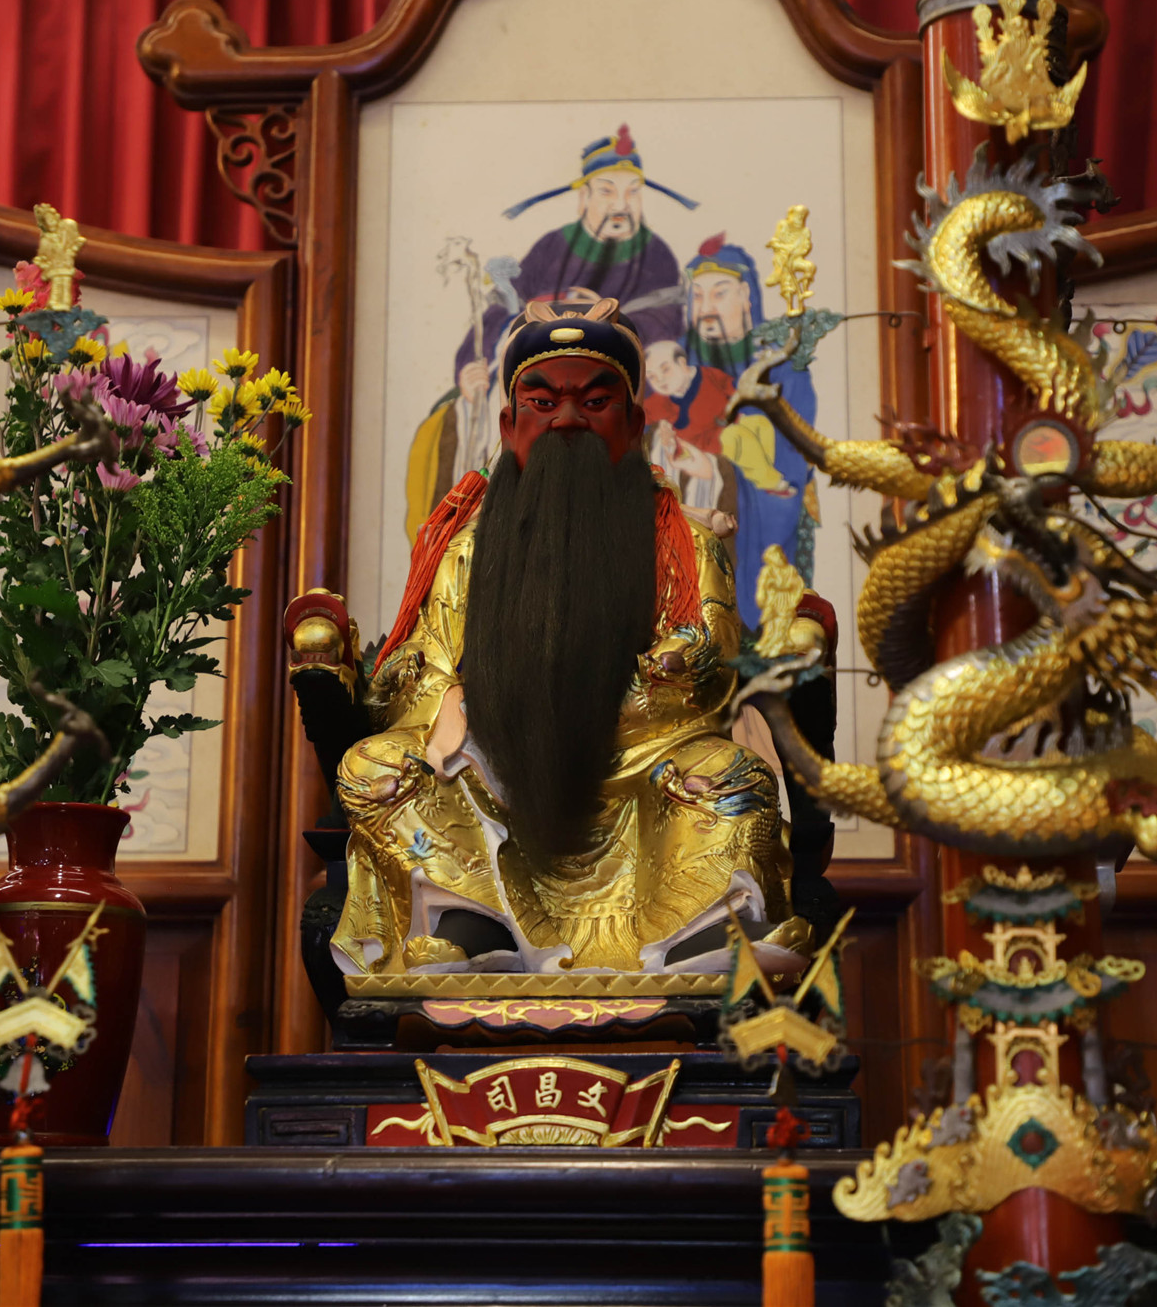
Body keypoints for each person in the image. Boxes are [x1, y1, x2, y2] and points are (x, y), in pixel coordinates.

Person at [336, 299, 806, 977]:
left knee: (732, 775)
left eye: (594, 402)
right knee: (376, 769)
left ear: (634, 424)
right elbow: (427, 663)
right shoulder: (467, 550)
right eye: (542, 401)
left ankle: (698, 928)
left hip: (641, 760)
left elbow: (710, 664)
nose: (566, 419)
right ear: (510, 425)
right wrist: (465, 706)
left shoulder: (684, 544)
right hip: (496, 761)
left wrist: (633, 683)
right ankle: (471, 921)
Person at [405, 125, 697, 541]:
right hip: (539, 372)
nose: (621, 204)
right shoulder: (550, 248)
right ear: (583, 197)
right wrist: (475, 364)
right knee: (454, 417)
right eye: (607, 191)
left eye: (632, 193)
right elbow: (503, 309)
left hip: (616, 379)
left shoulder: (657, 254)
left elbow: (665, 321)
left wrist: (603, 322)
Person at [682, 234, 819, 631]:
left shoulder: (780, 366)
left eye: (719, 293)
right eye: (697, 296)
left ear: (746, 296)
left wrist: (722, 464)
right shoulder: (677, 361)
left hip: (756, 509)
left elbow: (792, 452)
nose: (707, 308)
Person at [642, 339, 736, 518]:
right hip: (684, 463)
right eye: (652, 376)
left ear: (682, 363)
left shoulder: (714, 380)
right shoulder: (658, 402)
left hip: (720, 457)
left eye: (665, 369)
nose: (660, 380)